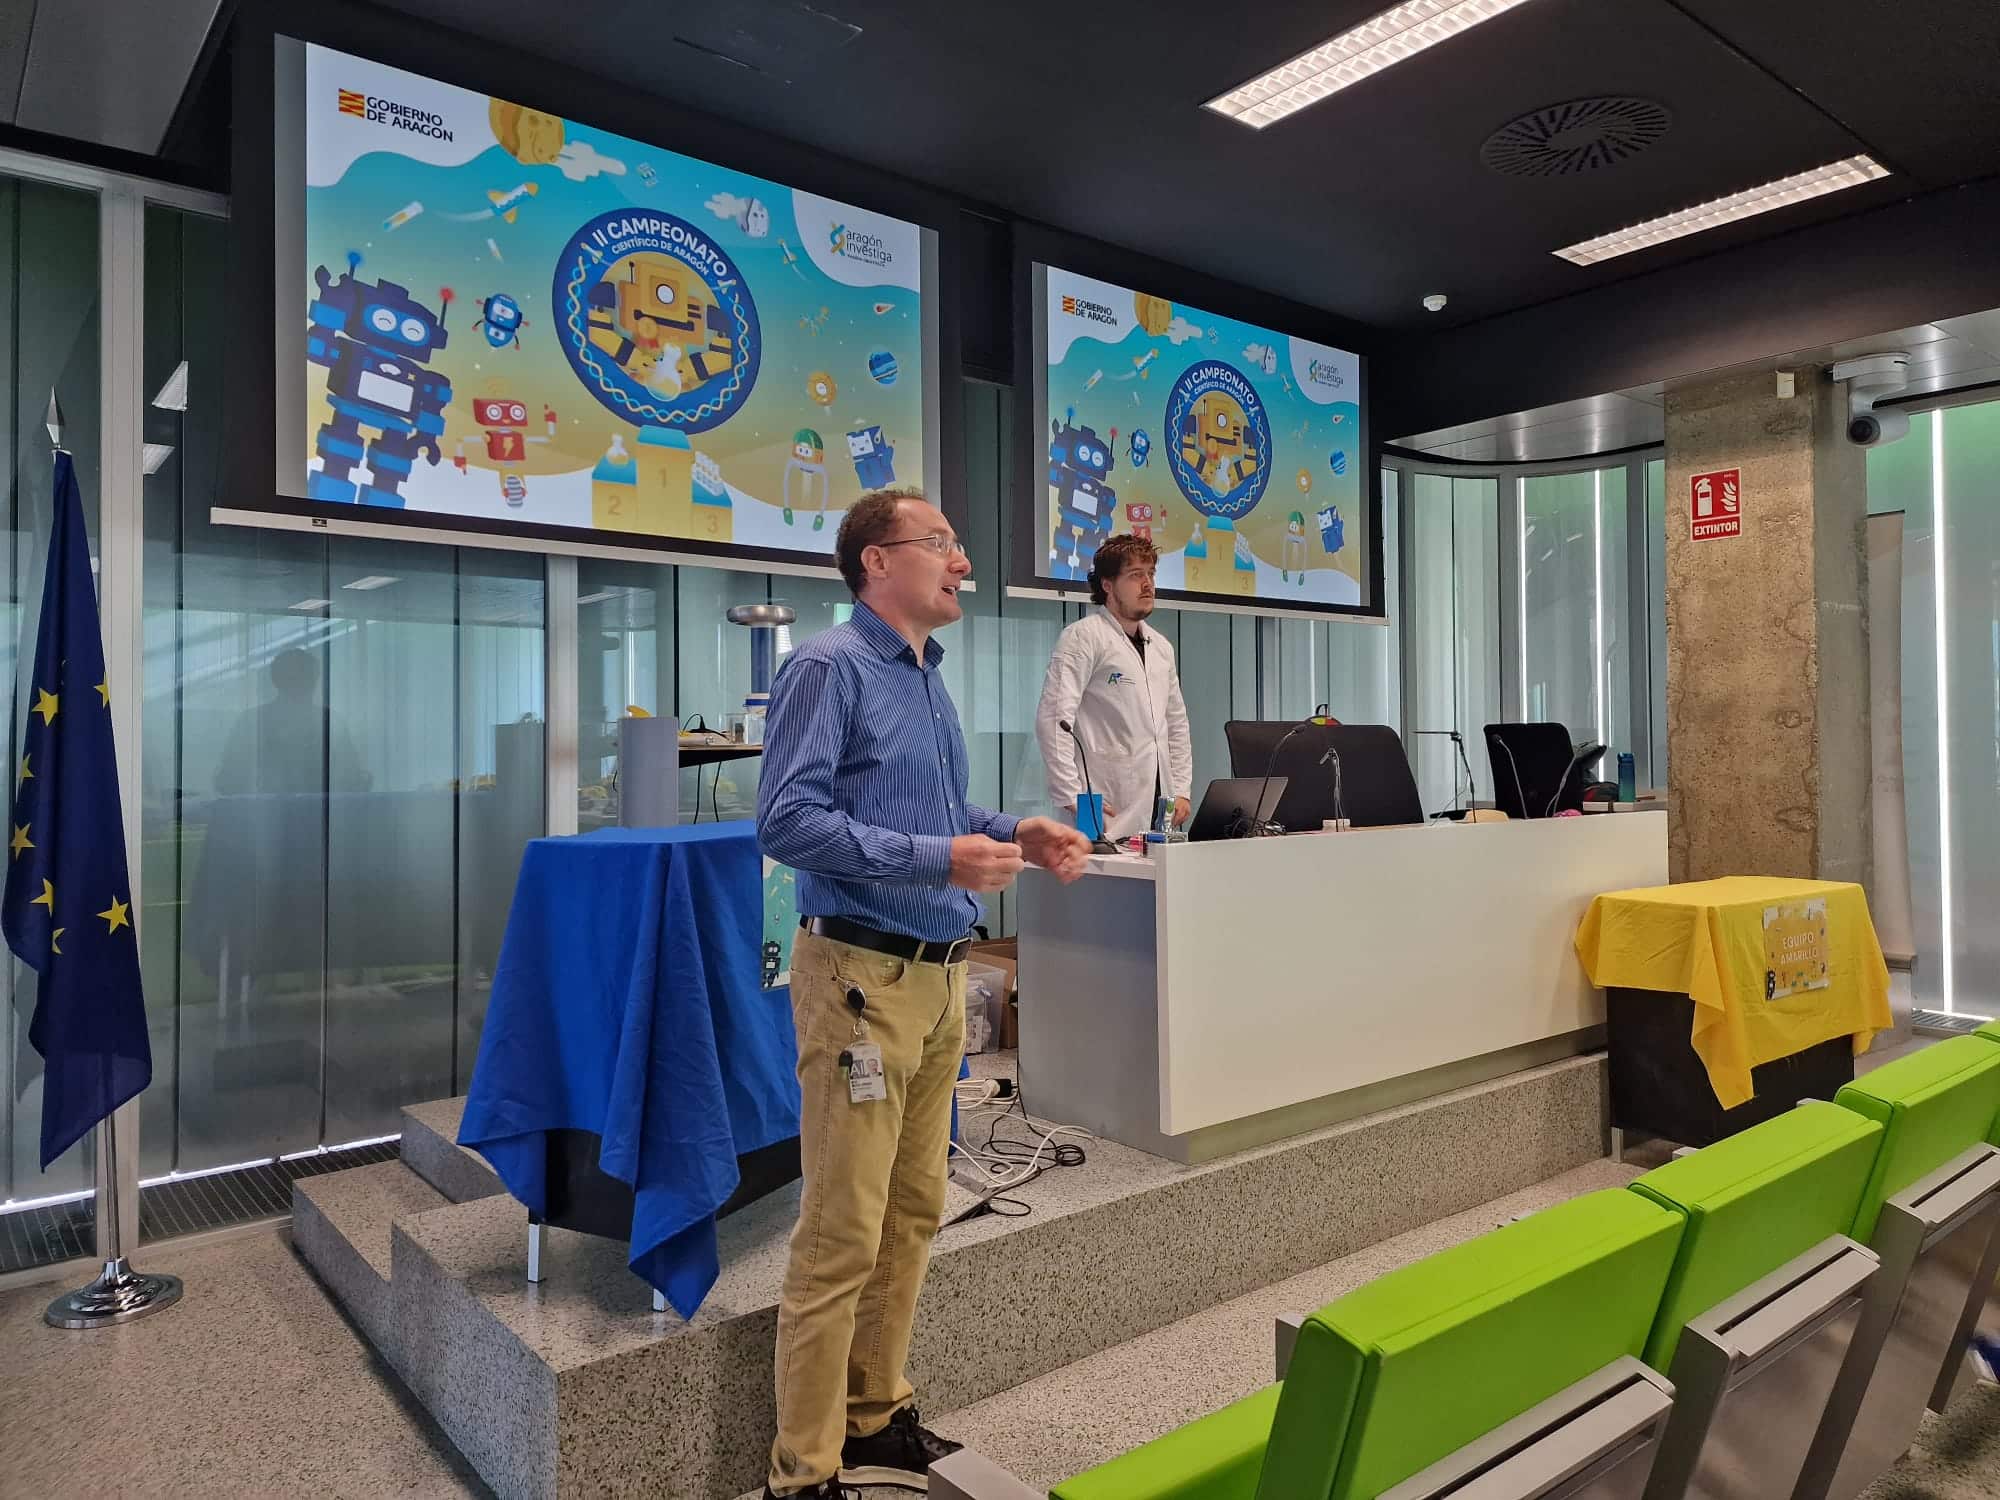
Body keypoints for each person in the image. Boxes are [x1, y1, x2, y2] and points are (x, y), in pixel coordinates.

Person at [756, 486, 1090, 1498]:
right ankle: (802, 1470)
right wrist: (938, 859)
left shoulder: (926, 679)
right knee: (841, 1231)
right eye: (941, 542)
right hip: (860, 981)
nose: (962, 562)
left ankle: (874, 1417)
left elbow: (938, 810)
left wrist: (1015, 829)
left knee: (911, 1214)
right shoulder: (828, 666)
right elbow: (787, 821)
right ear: (877, 561)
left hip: (939, 981)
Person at [1034, 534, 1193, 843]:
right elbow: (1054, 719)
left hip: (1159, 809)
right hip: (1101, 804)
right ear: (1107, 585)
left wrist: (1182, 789)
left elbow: (1176, 725)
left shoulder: (1161, 647)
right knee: (1100, 869)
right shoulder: (1083, 637)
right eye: (1135, 575)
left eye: (1151, 574)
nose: (1147, 584)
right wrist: (1071, 793)